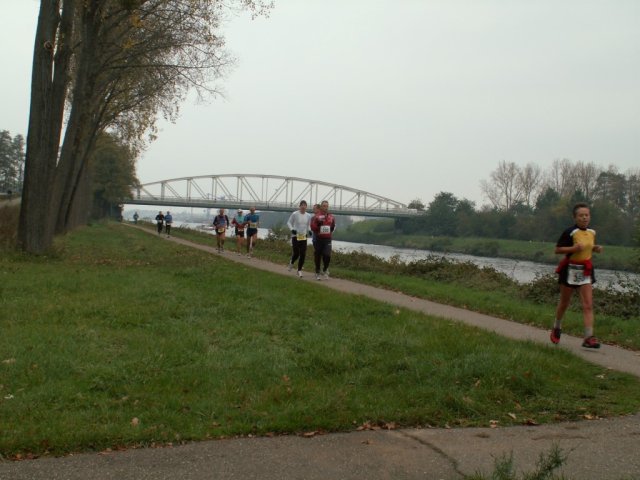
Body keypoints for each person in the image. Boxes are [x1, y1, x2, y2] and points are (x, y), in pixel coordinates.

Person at [551, 202, 603, 349]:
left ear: (590, 217)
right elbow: (558, 249)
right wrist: (573, 248)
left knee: (588, 305)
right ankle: (557, 327)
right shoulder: (570, 232)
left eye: (586, 215)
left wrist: (595, 248)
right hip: (570, 269)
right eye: (581, 215)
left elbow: (587, 247)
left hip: (585, 270)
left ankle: (588, 337)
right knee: (564, 303)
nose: (584, 218)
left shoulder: (592, 232)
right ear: (575, 217)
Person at [310, 200, 336, 280]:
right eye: (324, 206)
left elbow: (333, 226)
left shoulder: (331, 216)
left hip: (327, 239)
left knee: (327, 255)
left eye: (327, 206)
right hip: (318, 239)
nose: (325, 207)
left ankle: (325, 269)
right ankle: (317, 271)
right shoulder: (316, 217)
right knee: (318, 256)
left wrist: (330, 230)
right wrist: (318, 225)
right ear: (321, 207)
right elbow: (312, 227)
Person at [286, 200, 312, 278]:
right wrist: (292, 229)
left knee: (303, 254)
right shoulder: (295, 214)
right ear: (299, 206)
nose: (303, 207)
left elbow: (308, 225)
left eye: (305, 205)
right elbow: (289, 222)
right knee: (296, 253)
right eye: (302, 205)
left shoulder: (308, 215)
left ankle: (299, 270)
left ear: (306, 207)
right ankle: (292, 262)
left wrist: (310, 230)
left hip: (304, 236)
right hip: (295, 235)